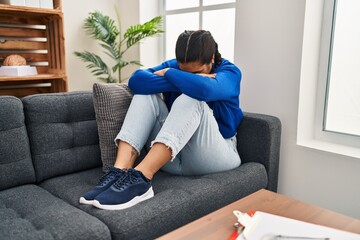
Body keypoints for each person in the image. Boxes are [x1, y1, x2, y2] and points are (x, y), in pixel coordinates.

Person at [80, 30, 243, 210]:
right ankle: (119, 171)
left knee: (191, 97)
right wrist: (188, 77)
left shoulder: (230, 73)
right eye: (182, 71)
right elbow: (136, 81)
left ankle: (142, 178)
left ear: (211, 59)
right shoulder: (174, 67)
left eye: (195, 72)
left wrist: (170, 75)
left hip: (214, 156)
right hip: (171, 157)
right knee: (145, 96)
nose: (186, 74)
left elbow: (205, 91)